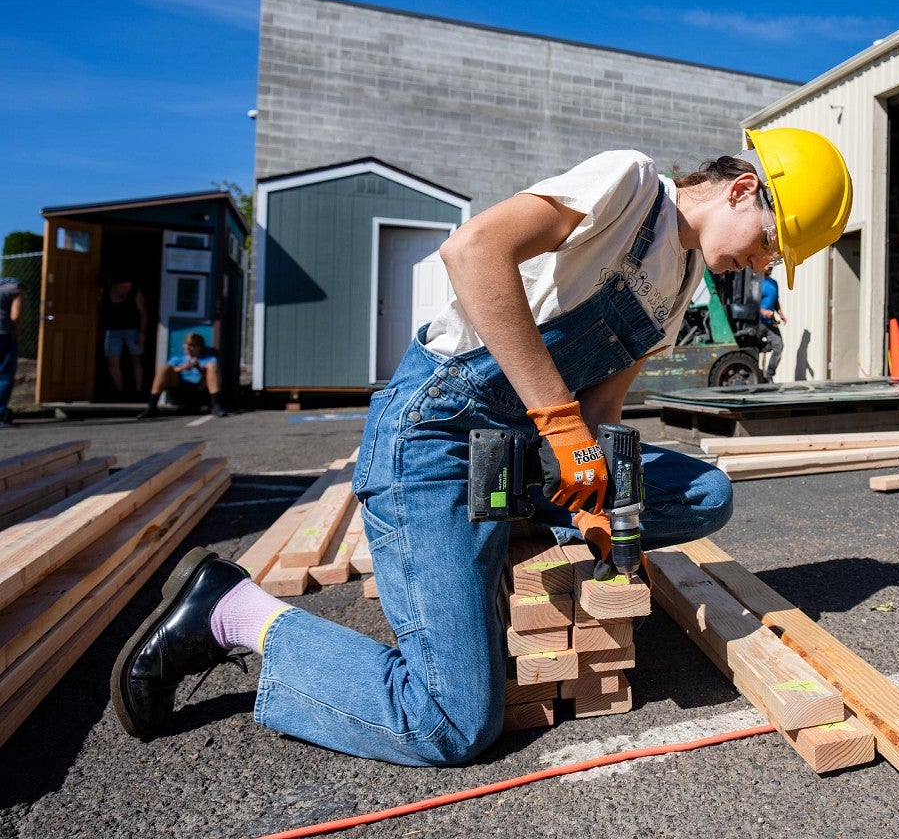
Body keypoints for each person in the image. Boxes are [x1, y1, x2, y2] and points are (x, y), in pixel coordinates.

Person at [111, 127, 852, 765]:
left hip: (515, 457)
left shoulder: (682, 283)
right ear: (742, 190)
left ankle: (513, 527)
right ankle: (231, 613)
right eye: (770, 244)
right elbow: (472, 252)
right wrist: (561, 430)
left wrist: (593, 496)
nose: (761, 267)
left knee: (705, 491)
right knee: (452, 720)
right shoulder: (630, 187)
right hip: (436, 435)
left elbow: (600, 407)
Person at [136, 332, 226, 419]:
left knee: (212, 367)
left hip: (200, 391)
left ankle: (215, 405)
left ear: (199, 347)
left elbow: (210, 375)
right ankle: (152, 406)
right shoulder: (177, 359)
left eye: (192, 345)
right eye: (186, 344)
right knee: (164, 368)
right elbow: (171, 371)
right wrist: (182, 368)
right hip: (179, 389)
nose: (188, 347)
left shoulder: (209, 359)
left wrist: (198, 367)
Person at [101, 274, 148, 397]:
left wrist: (142, 332)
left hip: (133, 329)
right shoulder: (106, 291)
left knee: (136, 359)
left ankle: (139, 390)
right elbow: (100, 310)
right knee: (112, 361)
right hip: (112, 330)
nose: (125, 286)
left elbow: (143, 313)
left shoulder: (135, 292)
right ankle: (119, 390)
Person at [0, 277, 24, 427]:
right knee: (4, 374)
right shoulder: (16, 289)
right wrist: (17, 332)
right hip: (4, 334)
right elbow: (15, 315)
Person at [758, 264, 786, 380]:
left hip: (770, 322)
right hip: (757, 323)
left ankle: (769, 375)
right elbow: (751, 303)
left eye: (771, 266)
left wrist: (780, 313)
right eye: (767, 265)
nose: (770, 267)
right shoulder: (756, 283)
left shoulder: (774, 283)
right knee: (752, 348)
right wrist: (763, 311)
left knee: (778, 346)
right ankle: (754, 373)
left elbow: (775, 301)